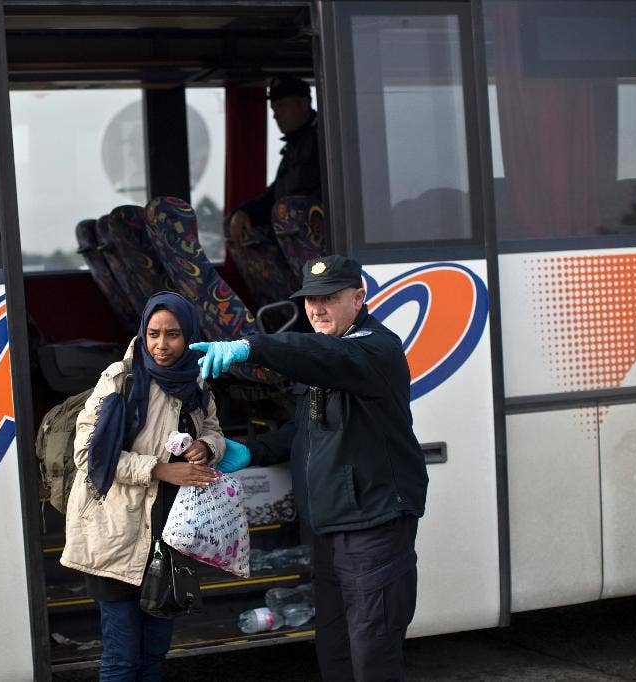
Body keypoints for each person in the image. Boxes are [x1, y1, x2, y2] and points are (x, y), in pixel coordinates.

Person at [190, 254, 429, 682]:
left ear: (358, 298)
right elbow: (304, 431)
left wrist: (253, 346)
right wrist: (247, 450)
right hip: (329, 528)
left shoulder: (375, 348)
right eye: (309, 300)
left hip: (371, 527)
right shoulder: (328, 348)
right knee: (334, 649)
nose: (317, 309)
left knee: (372, 652)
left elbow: (325, 356)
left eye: (329, 298)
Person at [60, 291, 226, 681]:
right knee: (121, 659)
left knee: (154, 654)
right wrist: (160, 470)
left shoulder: (197, 382)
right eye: (154, 333)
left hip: (169, 538)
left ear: (189, 337)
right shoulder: (120, 379)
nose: (161, 345)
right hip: (116, 536)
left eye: (173, 334)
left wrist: (207, 447)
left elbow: (215, 430)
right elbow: (89, 455)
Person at [228, 76, 322, 243]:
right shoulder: (295, 146)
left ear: (303, 104)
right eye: (273, 109)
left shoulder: (323, 141)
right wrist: (245, 212)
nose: (275, 116)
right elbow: (275, 196)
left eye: (280, 106)